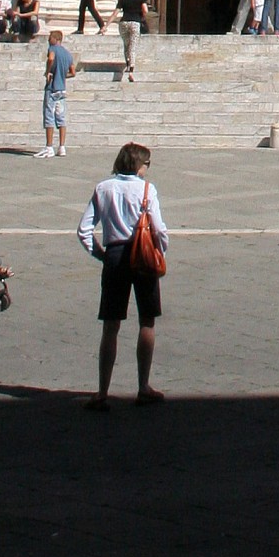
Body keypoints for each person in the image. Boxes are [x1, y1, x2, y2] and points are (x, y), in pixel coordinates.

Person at [78, 140, 168, 408]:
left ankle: (102, 391)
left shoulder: (103, 188)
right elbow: (159, 229)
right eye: (147, 163)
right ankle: (143, 386)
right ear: (139, 166)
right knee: (147, 321)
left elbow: (84, 230)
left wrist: (100, 254)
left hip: (115, 255)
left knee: (110, 324)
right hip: (143, 255)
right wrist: (160, 252)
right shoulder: (147, 189)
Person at [38, 28, 78, 159]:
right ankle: (62, 146)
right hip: (62, 89)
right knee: (61, 118)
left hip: (52, 88)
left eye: (50, 37)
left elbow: (51, 59)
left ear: (56, 39)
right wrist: (62, 75)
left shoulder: (53, 49)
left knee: (49, 116)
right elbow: (73, 72)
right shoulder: (67, 54)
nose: (48, 40)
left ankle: (49, 146)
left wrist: (48, 71)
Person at [116, 0, 148, 82]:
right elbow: (145, 10)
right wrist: (142, 17)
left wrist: (105, 25)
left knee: (126, 46)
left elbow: (115, 13)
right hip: (135, 23)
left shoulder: (123, 0)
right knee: (132, 47)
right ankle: (131, 71)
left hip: (123, 23)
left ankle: (128, 64)